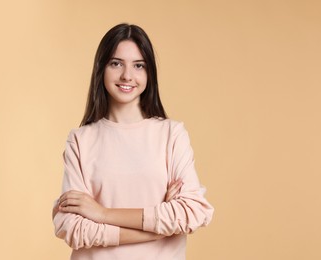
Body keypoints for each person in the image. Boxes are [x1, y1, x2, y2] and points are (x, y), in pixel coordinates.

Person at [52, 23, 214, 260]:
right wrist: (158, 229)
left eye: (139, 66)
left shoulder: (171, 135)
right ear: (101, 69)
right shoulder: (80, 141)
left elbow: (192, 212)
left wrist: (102, 213)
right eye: (116, 63)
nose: (127, 75)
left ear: (149, 74)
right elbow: (73, 228)